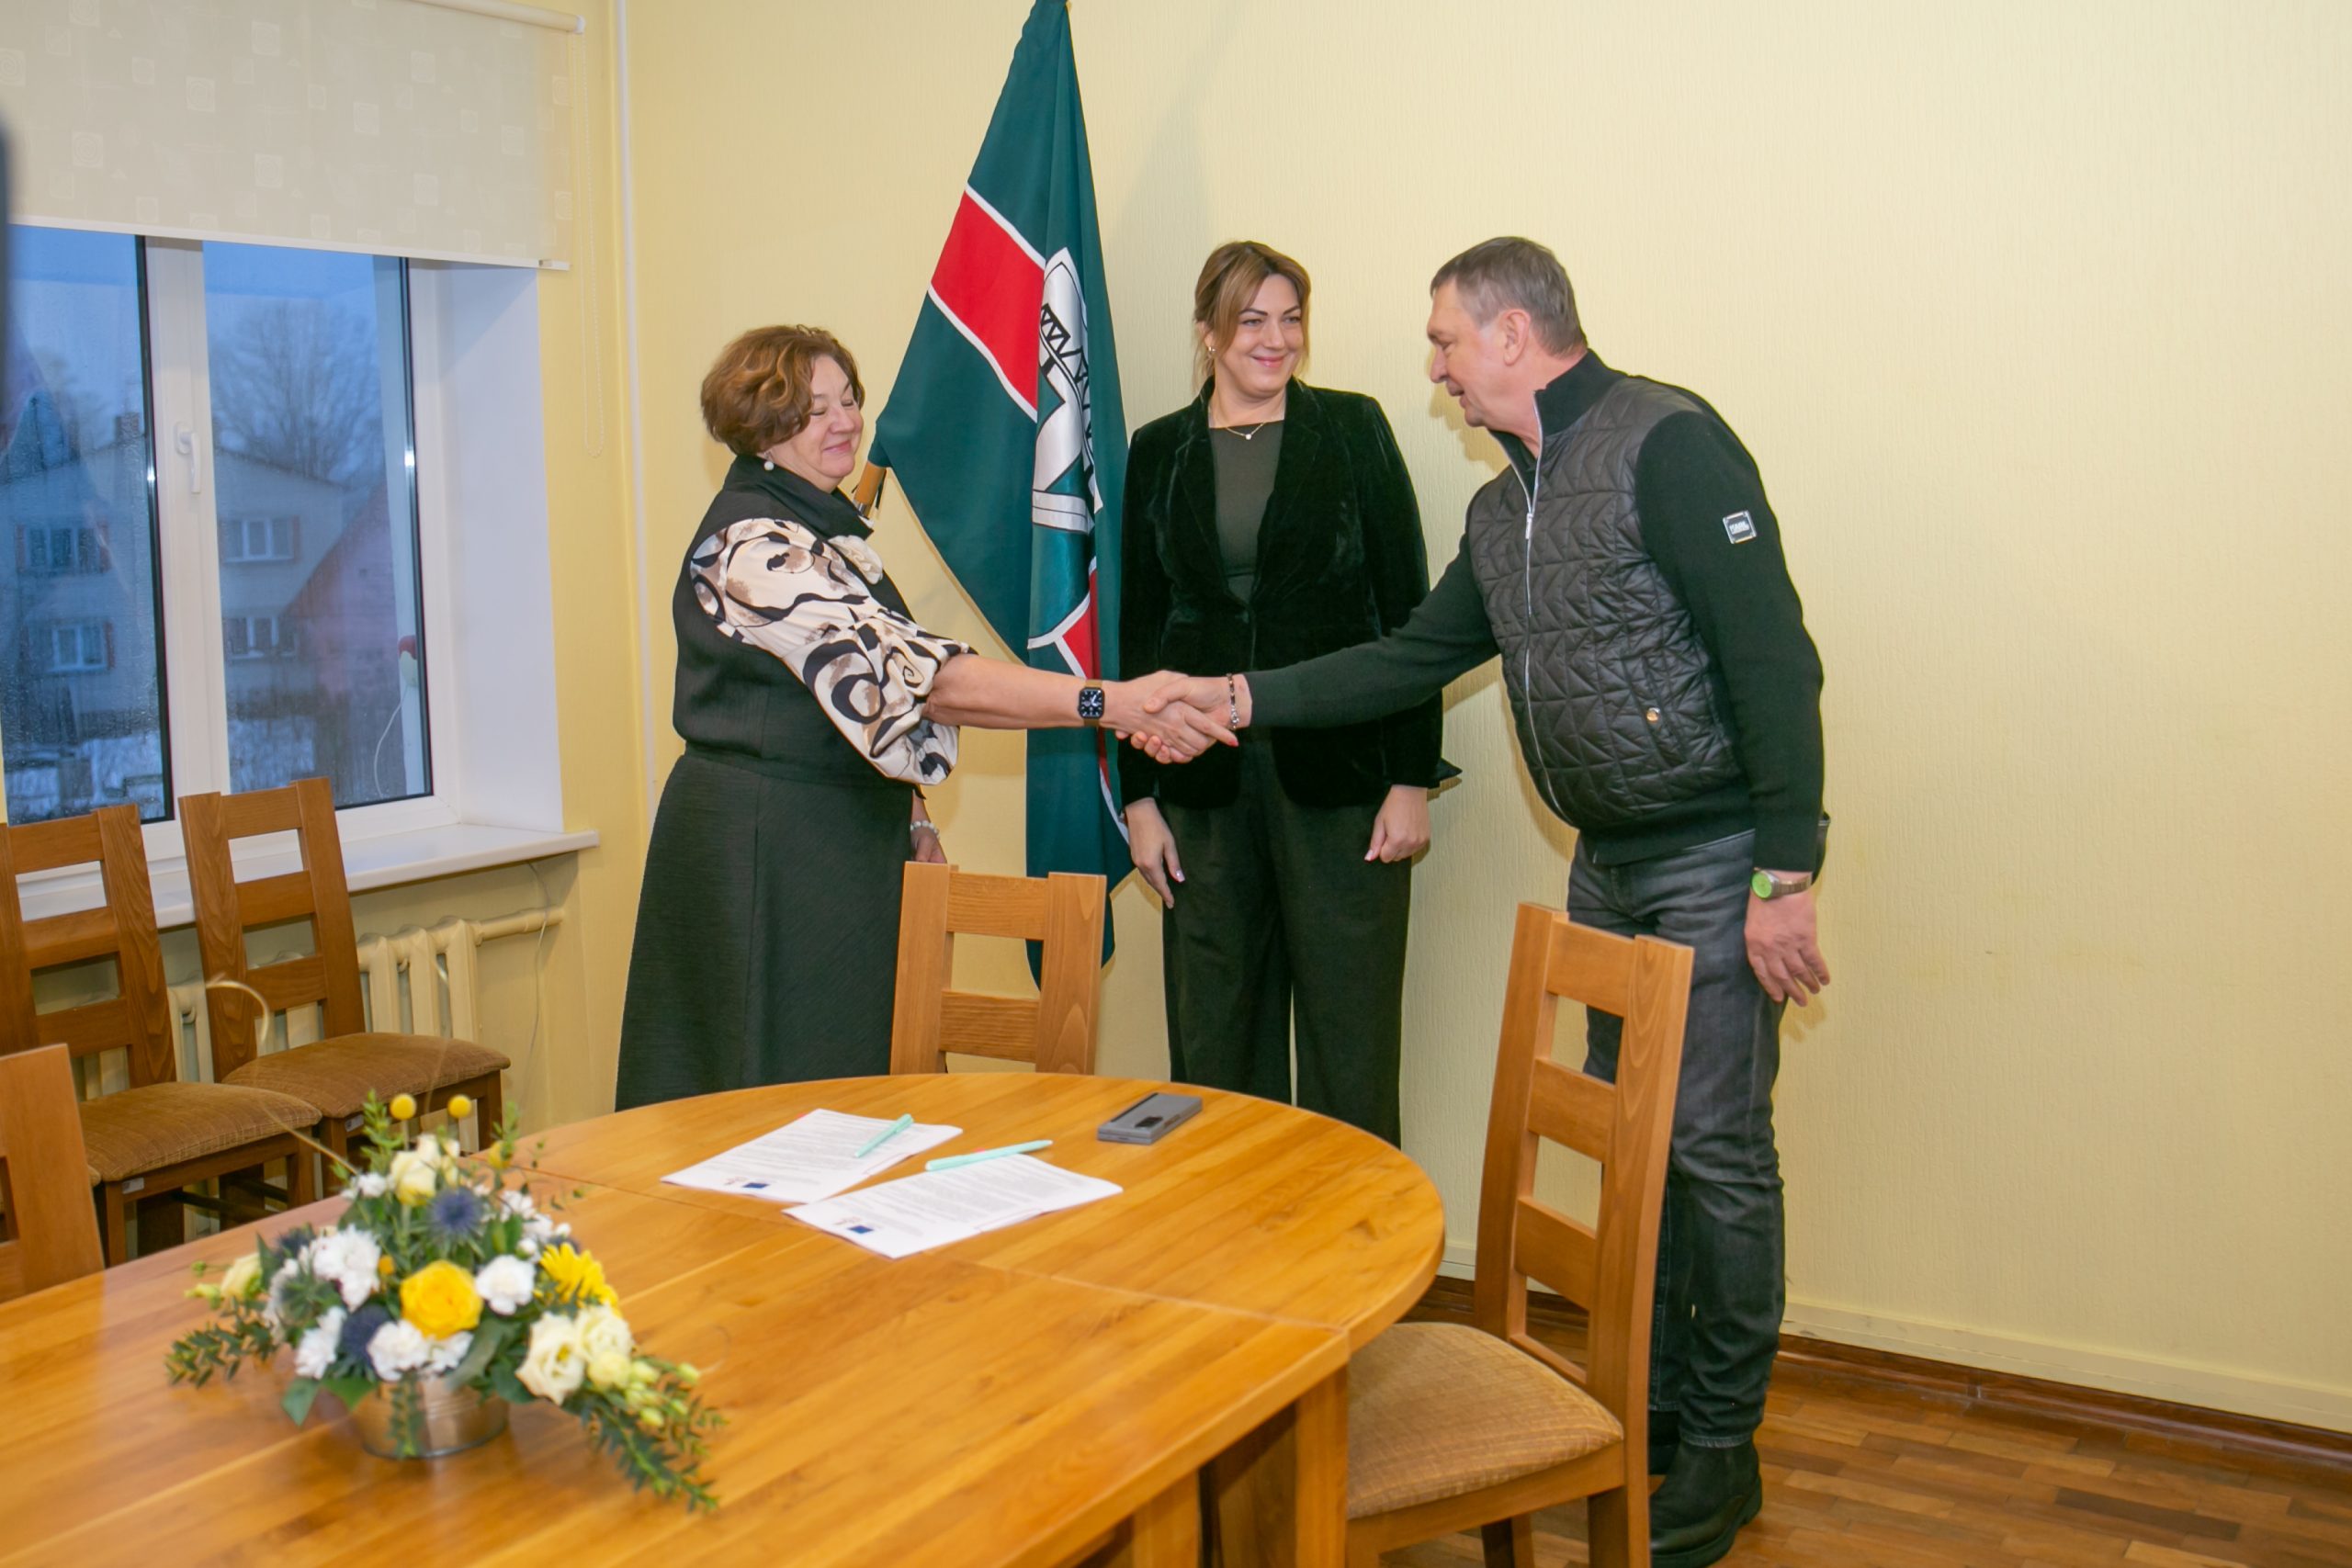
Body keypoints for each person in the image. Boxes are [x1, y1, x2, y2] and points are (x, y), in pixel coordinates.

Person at [1143, 238, 1826, 1568]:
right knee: (1638, 1147)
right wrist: (1234, 696)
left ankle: (1721, 1442)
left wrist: (1784, 870)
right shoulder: (1503, 502)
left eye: (1448, 342)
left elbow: (1771, 655)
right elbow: (1408, 655)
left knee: (1713, 1149)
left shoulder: (1668, 443)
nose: (1438, 369)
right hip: (1609, 861)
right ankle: (1661, 1410)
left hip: (1714, 852)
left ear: (1514, 334)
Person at [616, 324, 1228, 1110]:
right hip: (764, 850)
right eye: (814, 411)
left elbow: (849, 704)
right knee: (767, 1090)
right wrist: (1108, 702)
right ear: (761, 430)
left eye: (849, 400)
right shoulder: (756, 547)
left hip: (836, 838)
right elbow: (924, 680)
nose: (845, 422)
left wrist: (912, 814)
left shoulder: (816, 523)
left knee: (850, 1084)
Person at [1120, 241, 1448, 1145]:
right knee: (1215, 1043)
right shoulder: (1157, 450)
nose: (1276, 340)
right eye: (1252, 320)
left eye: (1291, 318)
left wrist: (1410, 778)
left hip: (1342, 782)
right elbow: (1138, 632)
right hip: (1199, 784)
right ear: (1208, 331)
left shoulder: (1353, 428)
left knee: (1351, 1043)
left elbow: (1408, 618)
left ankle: (1359, 1233)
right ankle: (1232, 1231)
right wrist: (1138, 799)